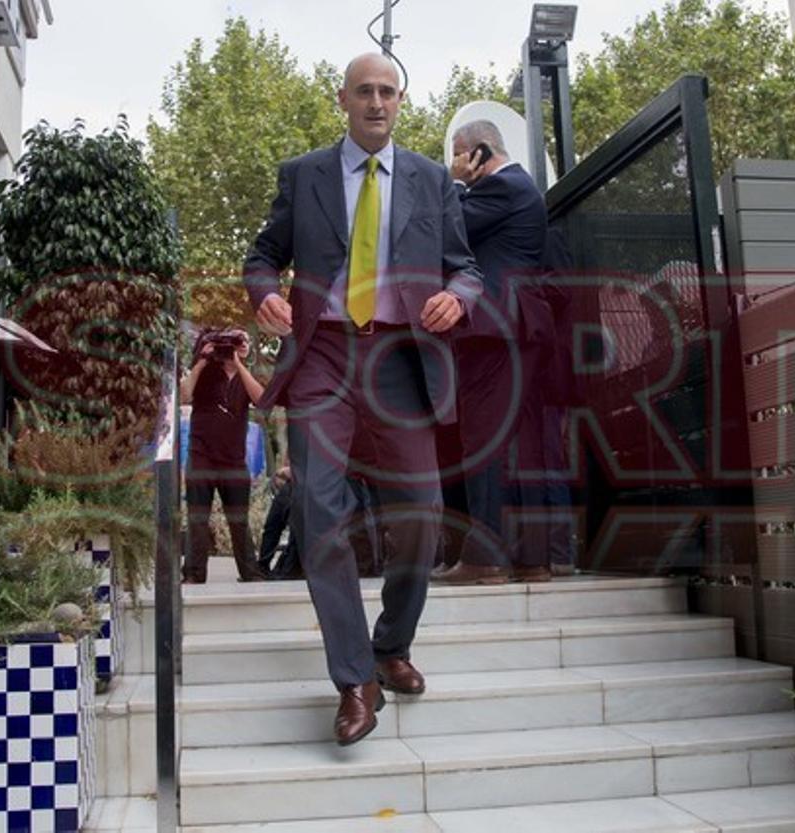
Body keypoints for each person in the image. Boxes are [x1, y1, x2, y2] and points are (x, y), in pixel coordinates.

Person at [243, 53, 483, 746]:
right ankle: (354, 679)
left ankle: (392, 642)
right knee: (320, 508)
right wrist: (264, 294)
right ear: (343, 99)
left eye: (388, 92)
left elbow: (465, 266)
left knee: (423, 512)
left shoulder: (434, 181)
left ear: (400, 101)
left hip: (401, 360)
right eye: (364, 92)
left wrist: (455, 296)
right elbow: (263, 256)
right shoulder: (304, 175)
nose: (377, 102)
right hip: (323, 356)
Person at [434, 119, 550, 585]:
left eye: (459, 156)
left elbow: (450, 229)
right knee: (514, 443)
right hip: (514, 329)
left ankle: (485, 558)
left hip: (492, 329)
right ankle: (531, 559)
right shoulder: (519, 189)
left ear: (480, 153)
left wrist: (454, 185)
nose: (455, 165)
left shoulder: (502, 188)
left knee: (482, 438)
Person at [181, 328, 268, 583]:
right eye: (232, 343)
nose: (235, 348)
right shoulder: (205, 372)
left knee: (239, 520)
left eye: (242, 343)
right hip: (201, 455)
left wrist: (239, 364)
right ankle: (194, 574)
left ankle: (250, 573)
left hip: (233, 459)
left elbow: (262, 400)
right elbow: (183, 395)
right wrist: (201, 362)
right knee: (198, 518)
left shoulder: (246, 376)